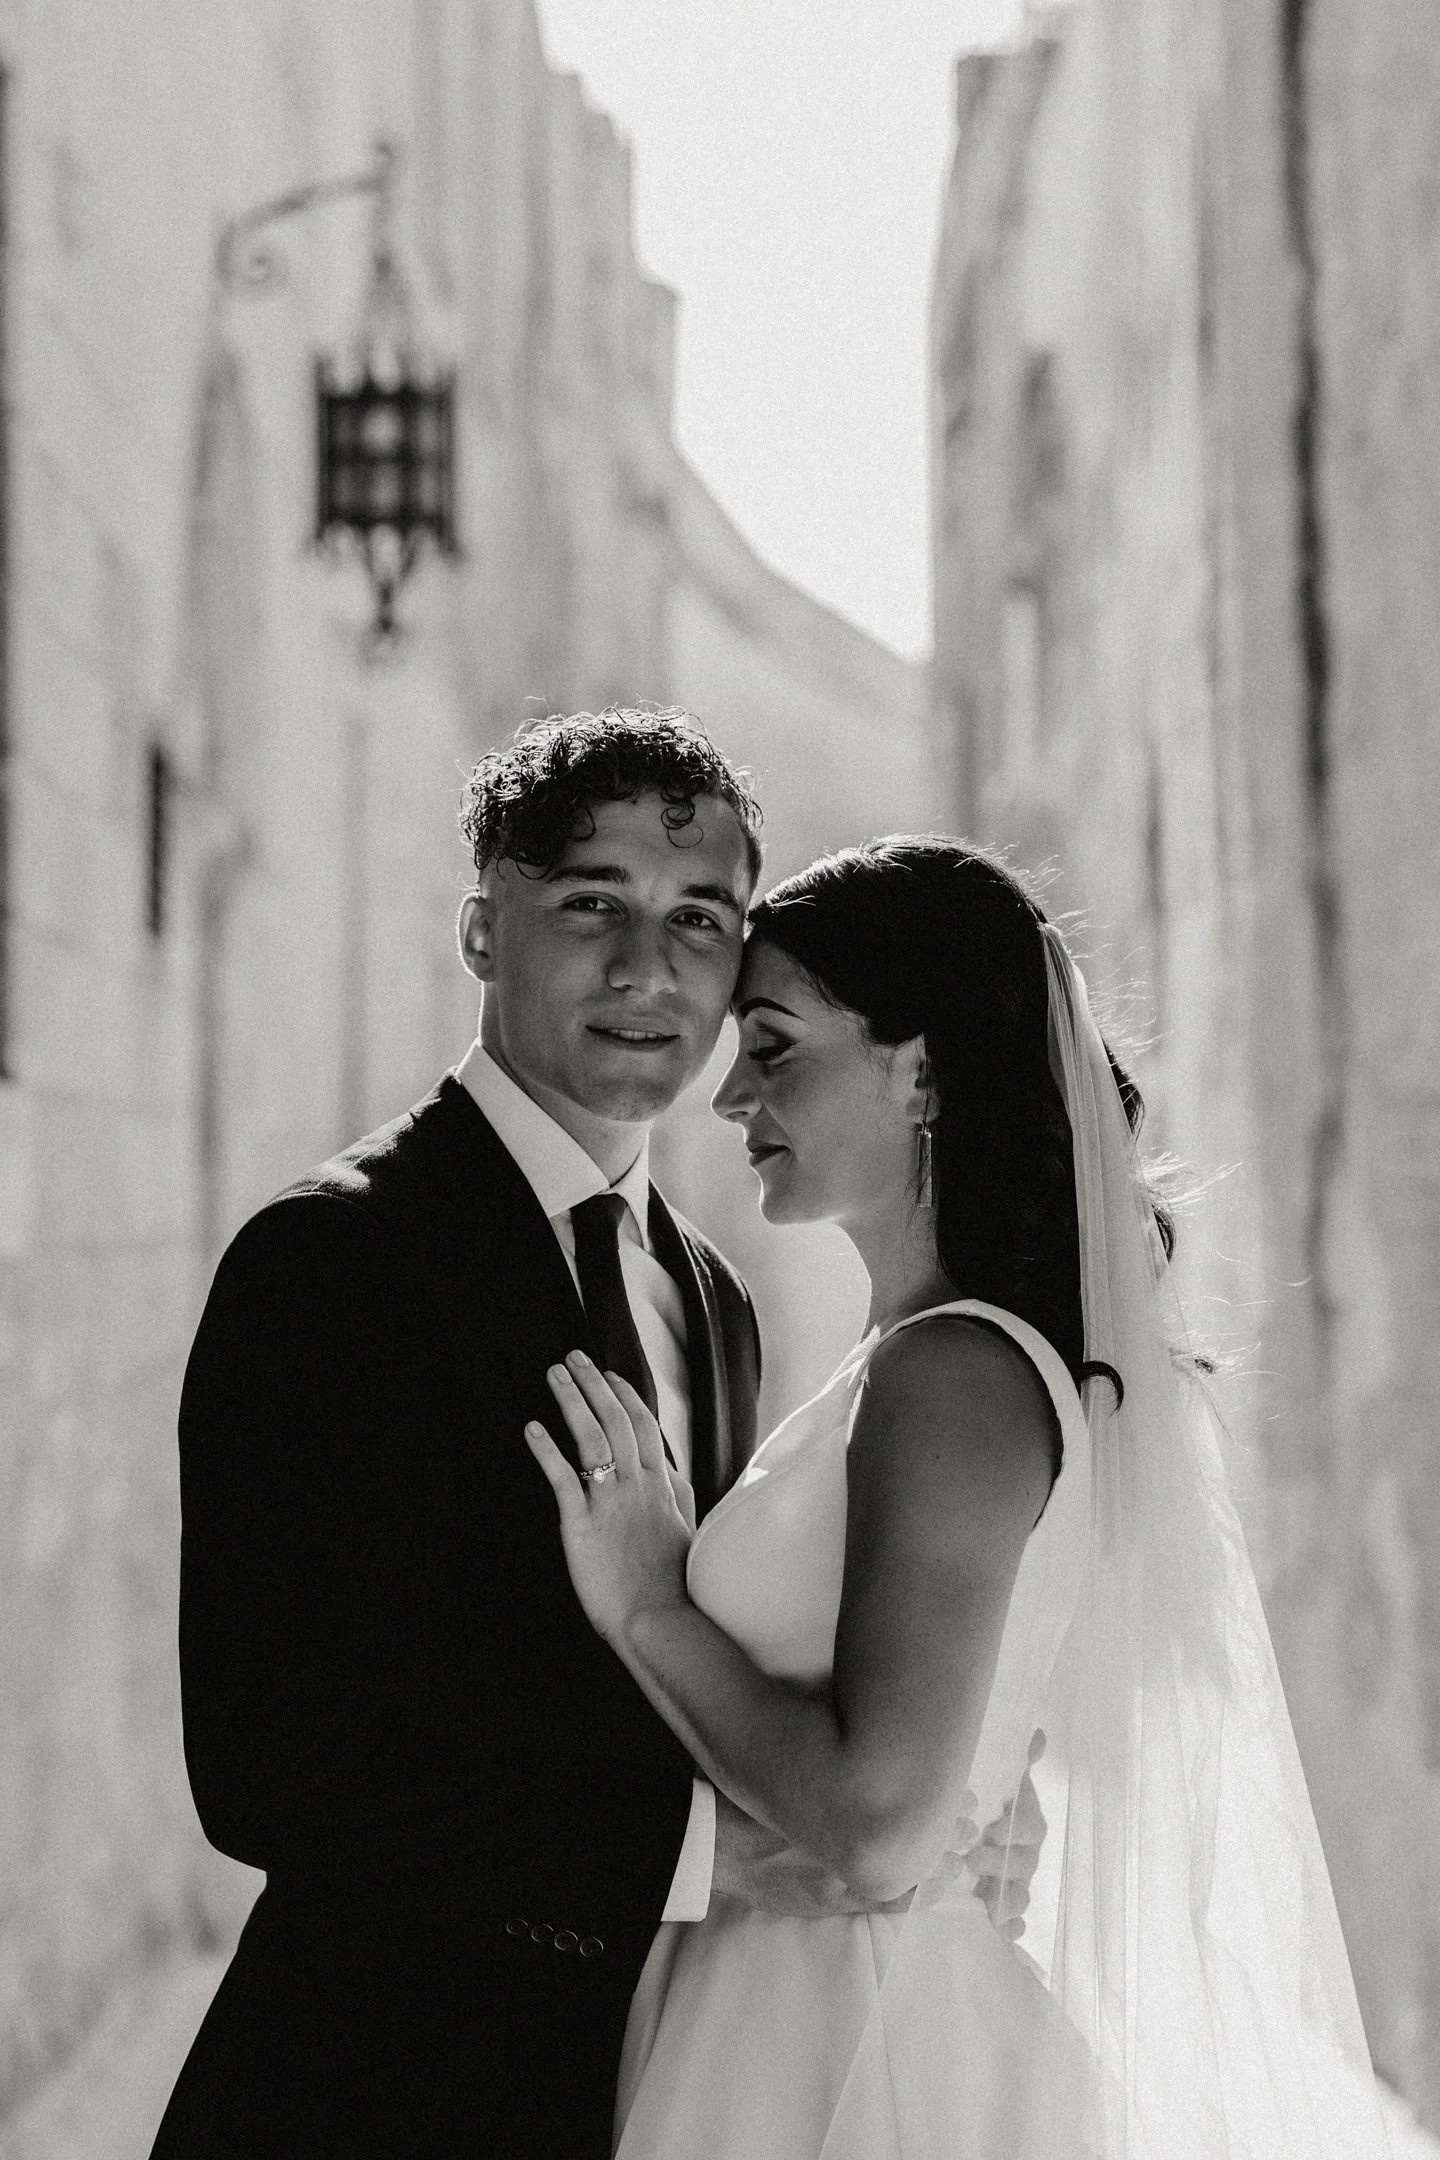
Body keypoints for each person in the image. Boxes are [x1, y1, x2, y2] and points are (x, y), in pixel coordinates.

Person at [150, 716, 1039, 2160]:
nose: (648, 971)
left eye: (699, 920)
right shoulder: (332, 1260)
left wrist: (960, 1811)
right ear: (481, 929)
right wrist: (721, 1860)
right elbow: (270, 1767)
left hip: (652, 2091)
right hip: (368, 2096)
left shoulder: (719, 1303)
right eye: (591, 908)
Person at [527, 836, 1401, 2160]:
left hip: (857, 2050)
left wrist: (652, 1604)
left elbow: (879, 1828)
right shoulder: (920, 1361)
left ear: (920, 1067)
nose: (729, 1097)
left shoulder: (955, 1374)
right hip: (797, 2008)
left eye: (773, 1045)